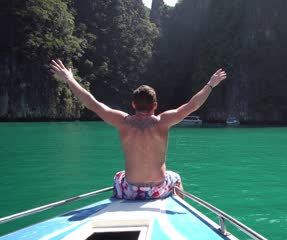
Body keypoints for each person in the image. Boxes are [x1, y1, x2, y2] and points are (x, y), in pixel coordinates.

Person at [49, 59, 227, 200]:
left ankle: (118, 206)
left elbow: (92, 104)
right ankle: (181, 211)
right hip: (159, 188)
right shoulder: (163, 122)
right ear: (155, 105)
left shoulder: (122, 121)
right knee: (175, 177)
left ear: (133, 104)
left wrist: (70, 79)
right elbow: (192, 105)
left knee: (119, 176)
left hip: (131, 190)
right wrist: (210, 84)